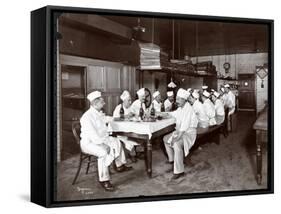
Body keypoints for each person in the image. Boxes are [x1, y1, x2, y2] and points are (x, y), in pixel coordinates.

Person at [80, 91, 132, 191]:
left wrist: (122, 118)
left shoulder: (98, 113)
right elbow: (92, 134)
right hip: (88, 143)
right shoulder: (87, 117)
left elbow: (108, 118)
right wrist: (103, 145)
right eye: (102, 102)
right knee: (104, 152)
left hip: (100, 139)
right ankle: (104, 180)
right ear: (95, 103)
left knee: (116, 141)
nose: (104, 103)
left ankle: (120, 166)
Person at [163, 88, 198, 180]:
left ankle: (179, 171)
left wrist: (176, 138)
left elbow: (184, 129)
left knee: (176, 143)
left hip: (189, 134)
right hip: (182, 131)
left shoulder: (188, 109)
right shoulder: (181, 108)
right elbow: (172, 114)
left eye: (178, 99)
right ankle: (173, 160)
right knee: (165, 139)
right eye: (177, 99)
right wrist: (160, 113)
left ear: (184, 99)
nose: (176, 101)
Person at [113, 90, 139, 162]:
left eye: (130, 100)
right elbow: (114, 119)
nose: (130, 102)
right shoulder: (119, 108)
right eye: (128, 100)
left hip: (130, 129)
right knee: (127, 140)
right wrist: (125, 116)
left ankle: (132, 154)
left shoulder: (130, 108)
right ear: (124, 101)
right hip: (121, 131)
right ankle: (130, 155)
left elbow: (135, 115)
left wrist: (134, 115)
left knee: (137, 138)